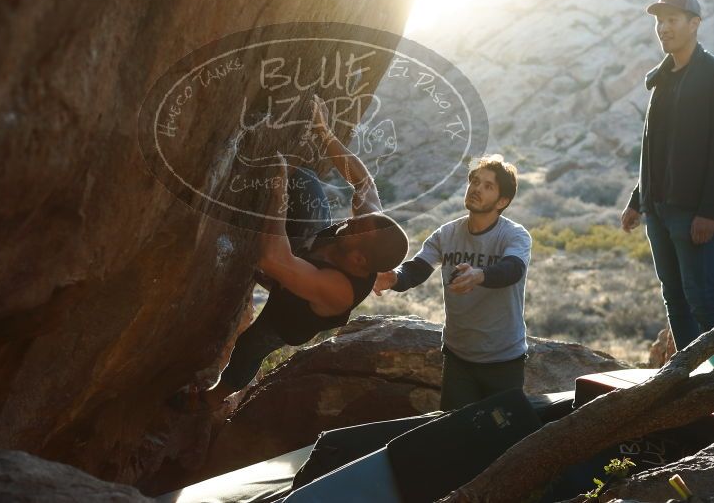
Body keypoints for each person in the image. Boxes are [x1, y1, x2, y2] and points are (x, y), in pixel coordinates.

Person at [201, 95, 409, 407]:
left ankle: (211, 399)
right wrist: (325, 132)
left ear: (358, 261)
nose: (348, 224)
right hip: (307, 256)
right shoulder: (368, 230)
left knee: (249, 348)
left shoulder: (338, 290)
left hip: (290, 313)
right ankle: (285, 270)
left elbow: (272, 258)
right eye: (356, 221)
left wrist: (278, 194)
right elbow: (363, 182)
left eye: (354, 230)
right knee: (306, 181)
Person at [373, 155, 531, 410]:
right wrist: (394, 277)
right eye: (475, 181)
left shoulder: (513, 235)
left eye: (488, 186)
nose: (476, 188)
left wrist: (480, 275)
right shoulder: (447, 234)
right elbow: (417, 268)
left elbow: (513, 269)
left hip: (503, 360)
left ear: (502, 201)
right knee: (455, 434)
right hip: (459, 358)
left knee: (503, 437)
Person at [620, 0, 714, 352]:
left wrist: (709, 210)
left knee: (703, 299)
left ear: (694, 24)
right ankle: (688, 381)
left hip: (692, 212)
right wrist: (636, 200)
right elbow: (652, 147)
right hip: (657, 210)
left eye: (672, 20)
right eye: (660, 21)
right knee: (673, 296)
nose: (663, 28)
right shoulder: (662, 77)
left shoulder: (710, 74)